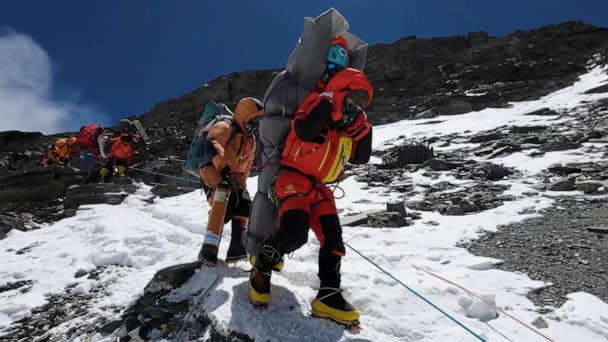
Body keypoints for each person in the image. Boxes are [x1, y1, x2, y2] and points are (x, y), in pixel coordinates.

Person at [248, 36, 374, 326]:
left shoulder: (347, 126)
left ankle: (328, 295)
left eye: (360, 102)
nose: (354, 106)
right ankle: (261, 270)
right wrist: (329, 102)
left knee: (334, 239)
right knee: (295, 232)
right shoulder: (317, 103)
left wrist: (363, 129)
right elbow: (304, 130)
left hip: (319, 187)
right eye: (351, 98)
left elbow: (361, 158)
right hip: (291, 178)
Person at [198, 97, 263, 263]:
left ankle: (237, 248)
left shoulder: (251, 141)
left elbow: (246, 167)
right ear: (243, 116)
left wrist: (241, 186)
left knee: (245, 206)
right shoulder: (225, 125)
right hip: (214, 170)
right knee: (222, 200)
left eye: (257, 120)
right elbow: (212, 143)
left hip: (234, 177)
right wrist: (223, 168)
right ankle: (208, 250)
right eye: (252, 119)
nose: (254, 124)